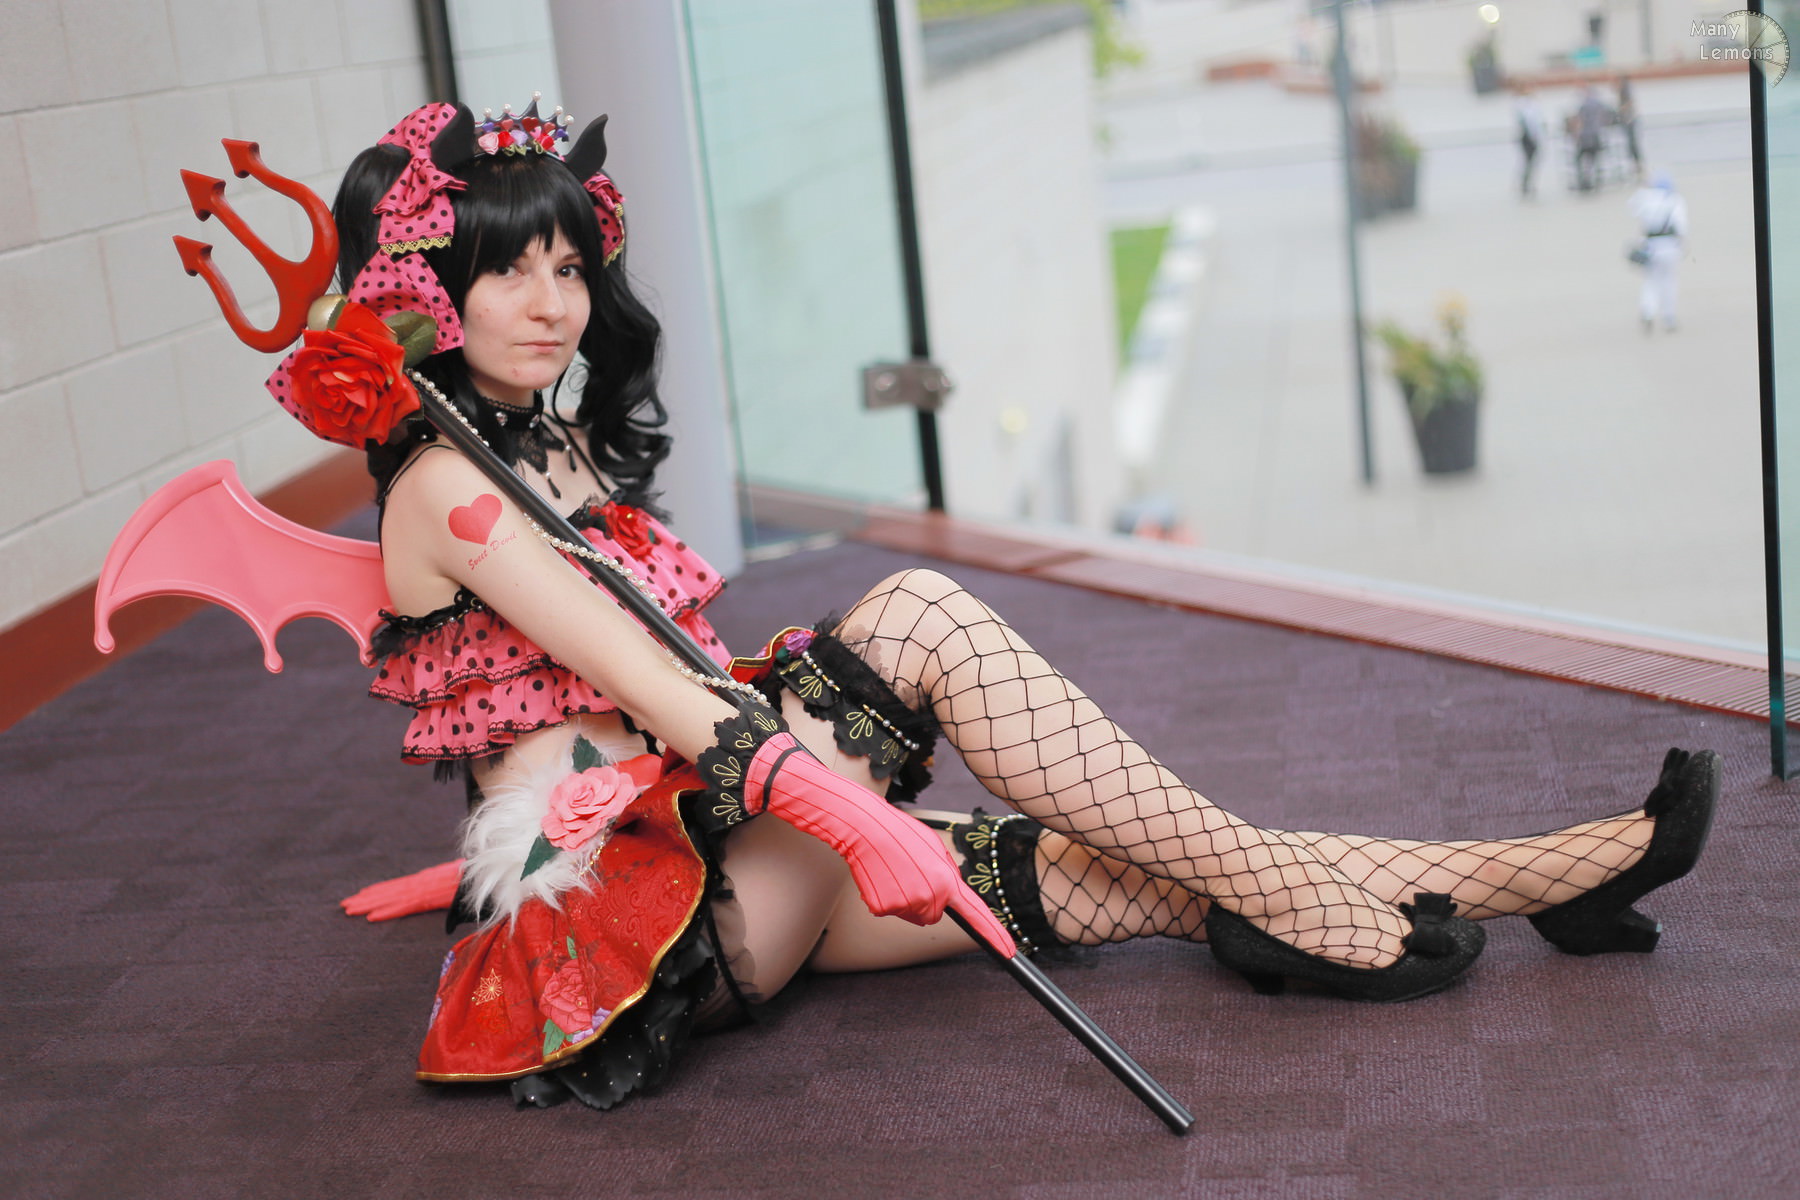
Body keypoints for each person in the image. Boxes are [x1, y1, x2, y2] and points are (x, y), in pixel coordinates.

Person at [283, 102, 1716, 1112]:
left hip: (715, 841)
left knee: (1141, 867)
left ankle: (1566, 875)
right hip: (654, 933)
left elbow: (566, 707)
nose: (552, 303)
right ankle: (1306, 906)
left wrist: (456, 865)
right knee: (916, 614)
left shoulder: (544, 445)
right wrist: (862, 822)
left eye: (567, 266)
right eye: (507, 271)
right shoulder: (445, 485)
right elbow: (661, 697)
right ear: (428, 288)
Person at [1630, 172, 1686, 332]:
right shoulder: (1675, 200)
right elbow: (1682, 226)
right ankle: (1669, 317)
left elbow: (1632, 208)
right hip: (1670, 246)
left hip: (1651, 246)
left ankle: (1648, 311)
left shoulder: (1646, 199)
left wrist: (1644, 189)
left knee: (1651, 281)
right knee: (1669, 282)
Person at [1513, 85, 1547, 199]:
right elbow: (1531, 122)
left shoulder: (1525, 103)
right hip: (1528, 136)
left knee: (1529, 161)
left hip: (1528, 136)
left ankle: (1526, 184)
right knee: (1529, 161)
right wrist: (1536, 137)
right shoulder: (1524, 104)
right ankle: (1526, 184)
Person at [1616, 77, 1644, 183]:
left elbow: (1629, 103)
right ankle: (1635, 163)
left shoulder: (1625, 90)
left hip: (1629, 120)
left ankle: (1636, 163)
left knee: (1632, 143)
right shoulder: (1626, 90)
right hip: (1628, 120)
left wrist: (1621, 109)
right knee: (1631, 143)